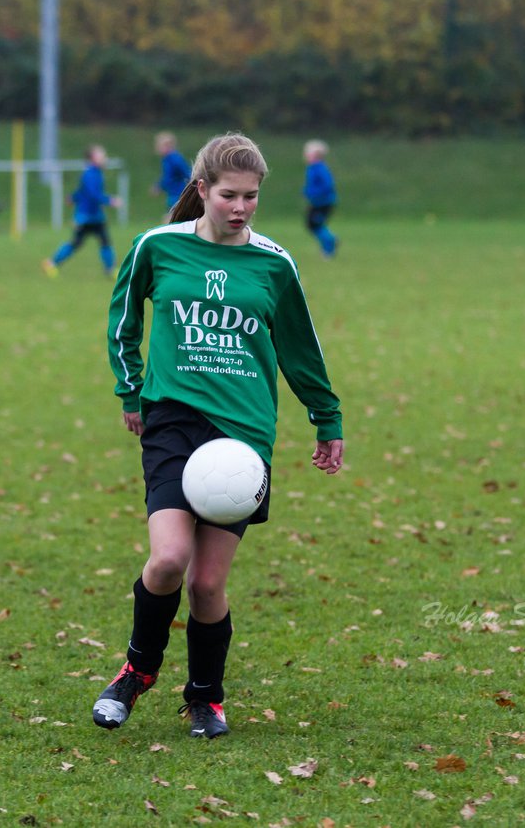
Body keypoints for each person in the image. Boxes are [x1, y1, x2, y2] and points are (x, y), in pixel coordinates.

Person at [96, 133, 344, 739]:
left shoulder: (274, 263)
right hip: (173, 420)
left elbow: (299, 347)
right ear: (202, 190)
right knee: (169, 561)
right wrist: (131, 393)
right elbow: (124, 319)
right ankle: (137, 670)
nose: (240, 207)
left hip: (242, 436)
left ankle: (205, 696)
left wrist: (326, 418)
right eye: (229, 195)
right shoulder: (157, 247)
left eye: (252, 197)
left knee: (208, 583)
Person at [42, 145, 122, 278]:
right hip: (86, 217)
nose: (104, 158)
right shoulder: (90, 173)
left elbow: (82, 192)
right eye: (101, 155)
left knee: (104, 241)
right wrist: (110, 201)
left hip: (96, 216)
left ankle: (110, 269)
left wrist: (73, 198)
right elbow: (92, 194)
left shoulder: (95, 173)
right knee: (76, 243)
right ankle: (51, 263)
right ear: (93, 158)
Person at [302, 139, 338, 260]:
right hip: (317, 202)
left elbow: (327, 185)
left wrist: (312, 193)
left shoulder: (319, 168)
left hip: (323, 202)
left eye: (308, 153)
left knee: (315, 224)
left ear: (316, 155)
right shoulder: (313, 168)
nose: (305, 155)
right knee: (313, 224)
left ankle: (330, 244)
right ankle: (329, 244)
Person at [151, 132, 191, 212]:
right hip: (173, 193)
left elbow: (186, 173)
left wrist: (159, 186)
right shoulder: (167, 159)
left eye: (159, 146)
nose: (157, 148)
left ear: (167, 146)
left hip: (178, 193)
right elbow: (167, 176)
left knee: (170, 218)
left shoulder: (174, 159)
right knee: (170, 217)